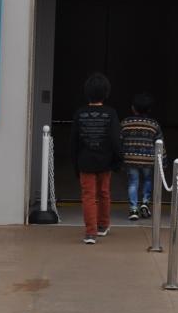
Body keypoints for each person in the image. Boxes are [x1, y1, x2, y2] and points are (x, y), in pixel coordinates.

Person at [70, 72, 122, 245]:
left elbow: (74, 141)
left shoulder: (80, 113)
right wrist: (118, 160)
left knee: (88, 196)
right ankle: (103, 225)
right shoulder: (111, 113)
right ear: (106, 93)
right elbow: (115, 139)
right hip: (105, 161)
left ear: (87, 92)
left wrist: (75, 164)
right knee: (104, 193)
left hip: (85, 161)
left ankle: (90, 233)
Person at [121, 93, 163, 221]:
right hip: (148, 159)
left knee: (133, 182)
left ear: (133, 108)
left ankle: (133, 209)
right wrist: (163, 161)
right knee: (148, 180)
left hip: (130, 159)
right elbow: (160, 144)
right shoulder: (154, 124)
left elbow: (119, 141)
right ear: (149, 110)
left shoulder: (125, 123)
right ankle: (145, 203)